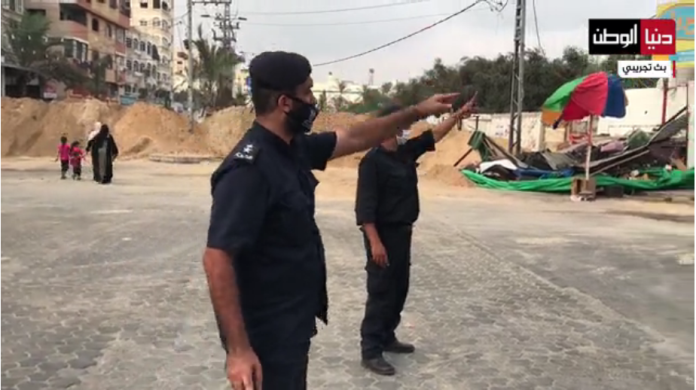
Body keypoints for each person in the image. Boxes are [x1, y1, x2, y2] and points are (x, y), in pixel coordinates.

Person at [202, 51, 458, 390]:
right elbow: (217, 258)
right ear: (285, 102)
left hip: (292, 322)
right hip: (266, 334)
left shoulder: (292, 148)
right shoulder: (249, 169)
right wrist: (238, 351)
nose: (313, 101)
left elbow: (354, 137)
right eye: (307, 92)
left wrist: (416, 112)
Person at [354, 95, 477, 376]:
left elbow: (434, 135)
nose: (406, 128)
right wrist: (375, 243)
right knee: (381, 291)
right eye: (403, 123)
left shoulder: (404, 152)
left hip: (402, 233)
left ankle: (387, 336)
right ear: (390, 125)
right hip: (382, 236)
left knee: (399, 288)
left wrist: (457, 115)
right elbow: (365, 209)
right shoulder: (372, 162)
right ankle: (371, 349)